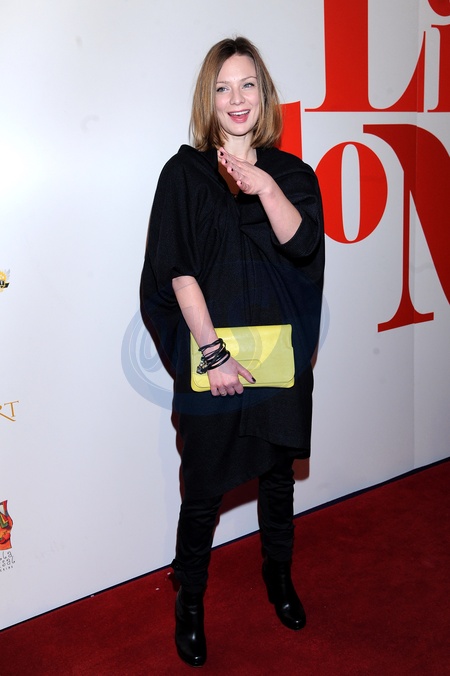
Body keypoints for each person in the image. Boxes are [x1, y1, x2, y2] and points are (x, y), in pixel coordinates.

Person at [140, 36, 325, 667]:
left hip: (277, 359)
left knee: (277, 478)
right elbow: (177, 270)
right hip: (212, 359)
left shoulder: (293, 175)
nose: (236, 98)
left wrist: (265, 186)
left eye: (248, 85)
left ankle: (279, 575)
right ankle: (189, 600)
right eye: (223, 87)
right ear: (209, 99)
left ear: (264, 95)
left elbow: (302, 247)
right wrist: (214, 355)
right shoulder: (184, 175)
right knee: (202, 491)